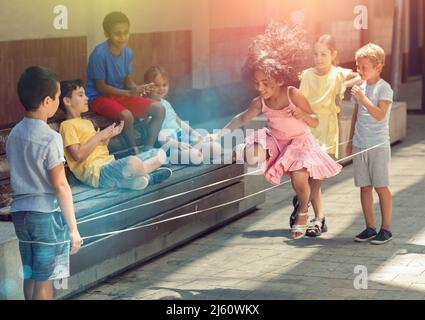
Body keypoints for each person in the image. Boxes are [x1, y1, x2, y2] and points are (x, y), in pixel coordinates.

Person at [209, 22, 342, 240]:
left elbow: (315, 121)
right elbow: (242, 118)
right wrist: (220, 133)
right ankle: (237, 151)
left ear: (279, 79)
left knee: (300, 180)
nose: (260, 88)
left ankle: (303, 212)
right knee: (252, 153)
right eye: (257, 83)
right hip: (276, 140)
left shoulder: (293, 94)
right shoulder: (260, 101)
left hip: (299, 143)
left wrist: (303, 116)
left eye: (265, 83)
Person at [6, 66, 81, 300]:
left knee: (30, 273)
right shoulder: (50, 137)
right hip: (45, 216)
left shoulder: (14, 134)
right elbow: (60, 185)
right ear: (47, 101)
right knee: (45, 278)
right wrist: (73, 228)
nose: (59, 102)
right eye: (58, 97)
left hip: (20, 215)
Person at [297, 34, 362, 237]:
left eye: (324, 54)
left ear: (333, 55)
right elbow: (300, 101)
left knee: (315, 179)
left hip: (327, 130)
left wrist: (342, 86)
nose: (319, 58)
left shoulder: (338, 73)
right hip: (308, 129)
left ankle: (317, 218)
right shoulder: (307, 75)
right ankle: (306, 206)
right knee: (306, 177)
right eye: (315, 54)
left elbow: (361, 75)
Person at [59, 80, 172, 191]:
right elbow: (78, 155)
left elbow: (99, 150)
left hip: (109, 164)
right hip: (97, 173)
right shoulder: (67, 125)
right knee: (133, 162)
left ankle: (131, 180)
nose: (86, 98)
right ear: (67, 101)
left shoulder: (86, 122)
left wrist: (107, 137)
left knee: (159, 154)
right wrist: (98, 136)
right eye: (80, 95)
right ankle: (149, 177)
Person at [86, 11, 165, 152]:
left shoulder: (127, 52)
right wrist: (129, 92)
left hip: (121, 95)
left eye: (125, 32)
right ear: (107, 34)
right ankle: (134, 151)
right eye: (117, 33)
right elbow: (101, 87)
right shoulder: (99, 54)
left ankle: (148, 149)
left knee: (159, 109)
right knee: (126, 115)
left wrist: (138, 88)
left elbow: (127, 80)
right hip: (98, 97)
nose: (122, 37)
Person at [348, 43, 394, 245]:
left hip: (378, 146)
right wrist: (350, 141)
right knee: (364, 187)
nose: (360, 70)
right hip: (360, 144)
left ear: (378, 66)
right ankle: (370, 227)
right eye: (358, 66)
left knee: (381, 187)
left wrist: (363, 97)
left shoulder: (385, 88)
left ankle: (386, 229)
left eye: (364, 67)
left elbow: (380, 115)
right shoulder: (361, 88)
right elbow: (356, 116)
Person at [144, 65, 222, 165]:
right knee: (195, 157)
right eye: (157, 85)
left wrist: (196, 134)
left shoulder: (166, 103)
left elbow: (179, 121)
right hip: (168, 144)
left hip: (182, 138)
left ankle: (193, 152)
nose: (161, 88)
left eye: (164, 85)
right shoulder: (147, 105)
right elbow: (154, 133)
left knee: (216, 149)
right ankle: (178, 157)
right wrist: (176, 144)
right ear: (147, 86)